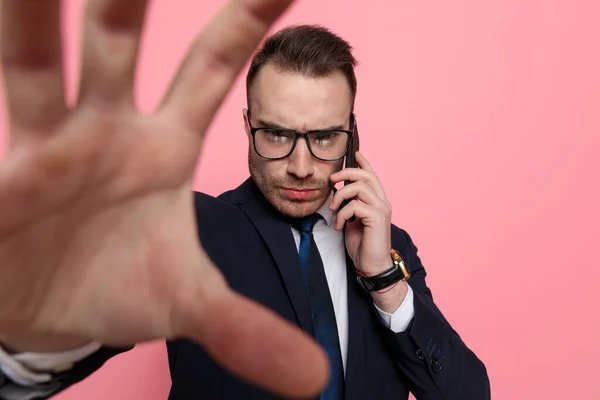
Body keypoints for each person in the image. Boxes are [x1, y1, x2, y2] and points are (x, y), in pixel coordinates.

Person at [0, 1, 490, 399]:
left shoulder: (388, 248)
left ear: (352, 135)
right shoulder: (184, 227)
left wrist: (384, 280)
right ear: (247, 126)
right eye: (276, 134)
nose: (301, 165)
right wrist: (27, 345)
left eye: (325, 137)